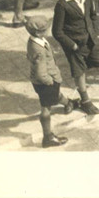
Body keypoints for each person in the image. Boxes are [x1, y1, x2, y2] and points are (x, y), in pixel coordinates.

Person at [25, 15, 77, 148]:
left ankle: (68, 103)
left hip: (42, 80)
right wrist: (50, 82)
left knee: (55, 95)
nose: (48, 30)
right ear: (38, 32)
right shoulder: (39, 49)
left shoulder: (34, 41)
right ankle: (48, 137)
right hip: (45, 81)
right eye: (45, 29)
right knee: (46, 108)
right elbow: (41, 72)